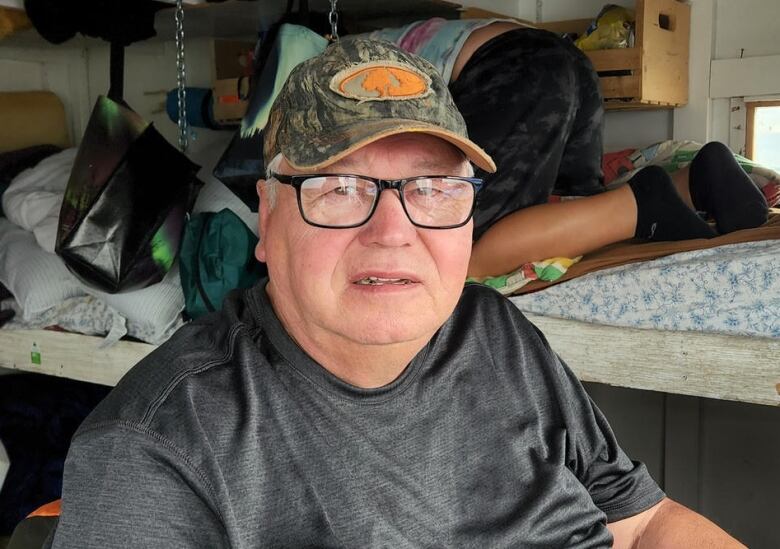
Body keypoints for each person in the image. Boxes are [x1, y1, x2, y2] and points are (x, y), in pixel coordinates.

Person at [47, 38, 744, 548]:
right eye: (339, 188)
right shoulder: (154, 451)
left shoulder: (495, 331)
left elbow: (645, 522)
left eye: (434, 189)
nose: (393, 230)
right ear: (267, 216)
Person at [362, 18, 770, 278]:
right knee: (569, 201)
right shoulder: (368, 40)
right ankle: (693, 183)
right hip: (559, 59)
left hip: (512, 70)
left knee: (455, 245)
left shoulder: (308, 62)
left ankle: (644, 206)